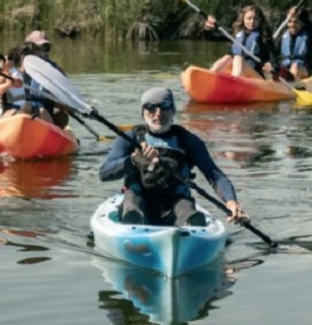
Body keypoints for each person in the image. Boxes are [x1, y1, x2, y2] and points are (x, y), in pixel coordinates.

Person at [99, 87, 250, 227]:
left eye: (164, 106)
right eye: (151, 107)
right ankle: (133, 224)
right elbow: (104, 173)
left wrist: (231, 203)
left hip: (176, 204)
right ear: (143, 112)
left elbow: (214, 175)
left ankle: (189, 227)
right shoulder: (129, 138)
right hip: (137, 202)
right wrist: (133, 160)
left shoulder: (188, 140)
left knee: (188, 211)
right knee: (131, 202)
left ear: (172, 111)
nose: (158, 113)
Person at [0, 30, 69, 128]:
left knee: (43, 112)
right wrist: (8, 85)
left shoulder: (52, 70)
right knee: (12, 112)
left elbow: (67, 95)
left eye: (46, 48)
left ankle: (49, 126)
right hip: (14, 116)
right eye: (37, 48)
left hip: (40, 116)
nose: (42, 52)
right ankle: (19, 116)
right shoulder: (9, 69)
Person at [204, 5, 275, 79]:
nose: (252, 21)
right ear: (243, 19)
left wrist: (272, 66)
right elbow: (212, 37)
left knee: (238, 58)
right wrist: (207, 29)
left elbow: (275, 62)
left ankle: (235, 82)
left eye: (255, 19)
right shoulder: (237, 34)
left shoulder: (265, 37)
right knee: (228, 58)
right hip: (238, 73)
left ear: (260, 20)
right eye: (249, 18)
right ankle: (209, 76)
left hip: (256, 77)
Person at [276, 6, 312, 81]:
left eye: (296, 22)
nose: (292, 25)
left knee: (295, 66)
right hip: (286, 68)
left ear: (303, 23)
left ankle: (291, 85)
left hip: (306, 70)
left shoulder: (311, 34)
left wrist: (297, 12)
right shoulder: (283, 35)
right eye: (289, 22)